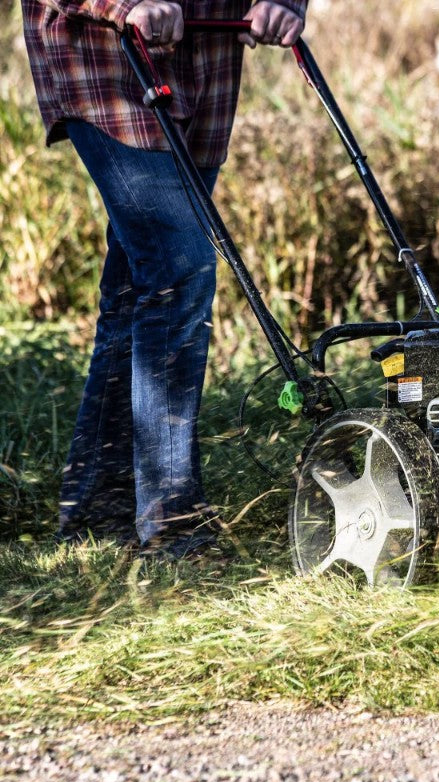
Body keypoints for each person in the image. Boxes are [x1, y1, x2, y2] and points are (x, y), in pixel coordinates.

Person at [21, 0, 308, 558]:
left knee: (138, 293)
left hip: (208, 69)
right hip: (107, 63)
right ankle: (172, 524)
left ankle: (97, 509)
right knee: (180, 268)